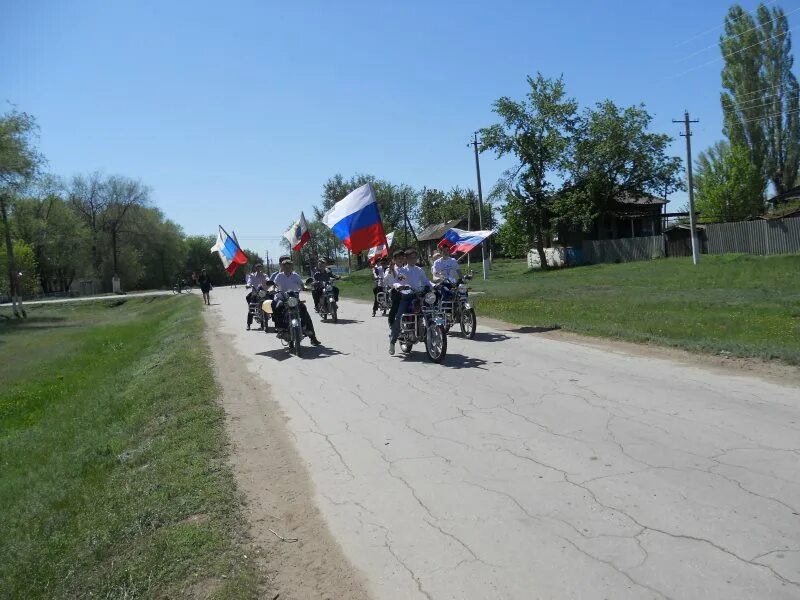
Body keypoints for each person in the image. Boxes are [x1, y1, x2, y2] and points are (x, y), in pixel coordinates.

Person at [388, 248, 433, 355]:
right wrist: (400, 287)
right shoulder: (403, 271)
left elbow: (426, 281)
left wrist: (435, 286)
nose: (414, 259)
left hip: (420, 296)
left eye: (415, 257)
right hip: (407, 297)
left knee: (430, 310)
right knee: (399, 317)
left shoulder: (419, 270)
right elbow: (397, 281)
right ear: (406, 259)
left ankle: (431, 330)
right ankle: (392, 341)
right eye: (412, 257)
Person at [271, 258, 322, 345]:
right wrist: (273, 289)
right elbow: (274, 285)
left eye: (289, 267)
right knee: (277, 306)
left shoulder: (295, 276)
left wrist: (305, 288)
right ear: (282, 267)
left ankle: (313, 338)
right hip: (282, 298)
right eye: (285, 267)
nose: (287, 269)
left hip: (294, 299)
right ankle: (279, 328)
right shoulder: (279, 276)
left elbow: (302, 285)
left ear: (292, 267)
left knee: (305, 313)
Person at [245, 263, 270, 330]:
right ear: (255, 269)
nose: (259, 269)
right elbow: (249, 282)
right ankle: (248, 324)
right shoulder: (252, 276)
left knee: (271, 303)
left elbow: (268, 279)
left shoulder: (264, 275)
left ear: (262, 268)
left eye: (260, 268)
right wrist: (248, 285)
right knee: (251, 308)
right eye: (257, 268)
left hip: (263, 294)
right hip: (255, 294)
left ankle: (266, 322)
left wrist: (269, 281)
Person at [384, 250, 406, 326]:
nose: (401, 260)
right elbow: (386, 281)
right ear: (394, 259)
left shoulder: (405, 269)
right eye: (399, 258)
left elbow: (403, 280)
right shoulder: (389, 269)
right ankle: (392, 322)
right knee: (395, 306)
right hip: (395, 291)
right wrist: (391, 270)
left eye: (402, 258)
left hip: (405, 290)